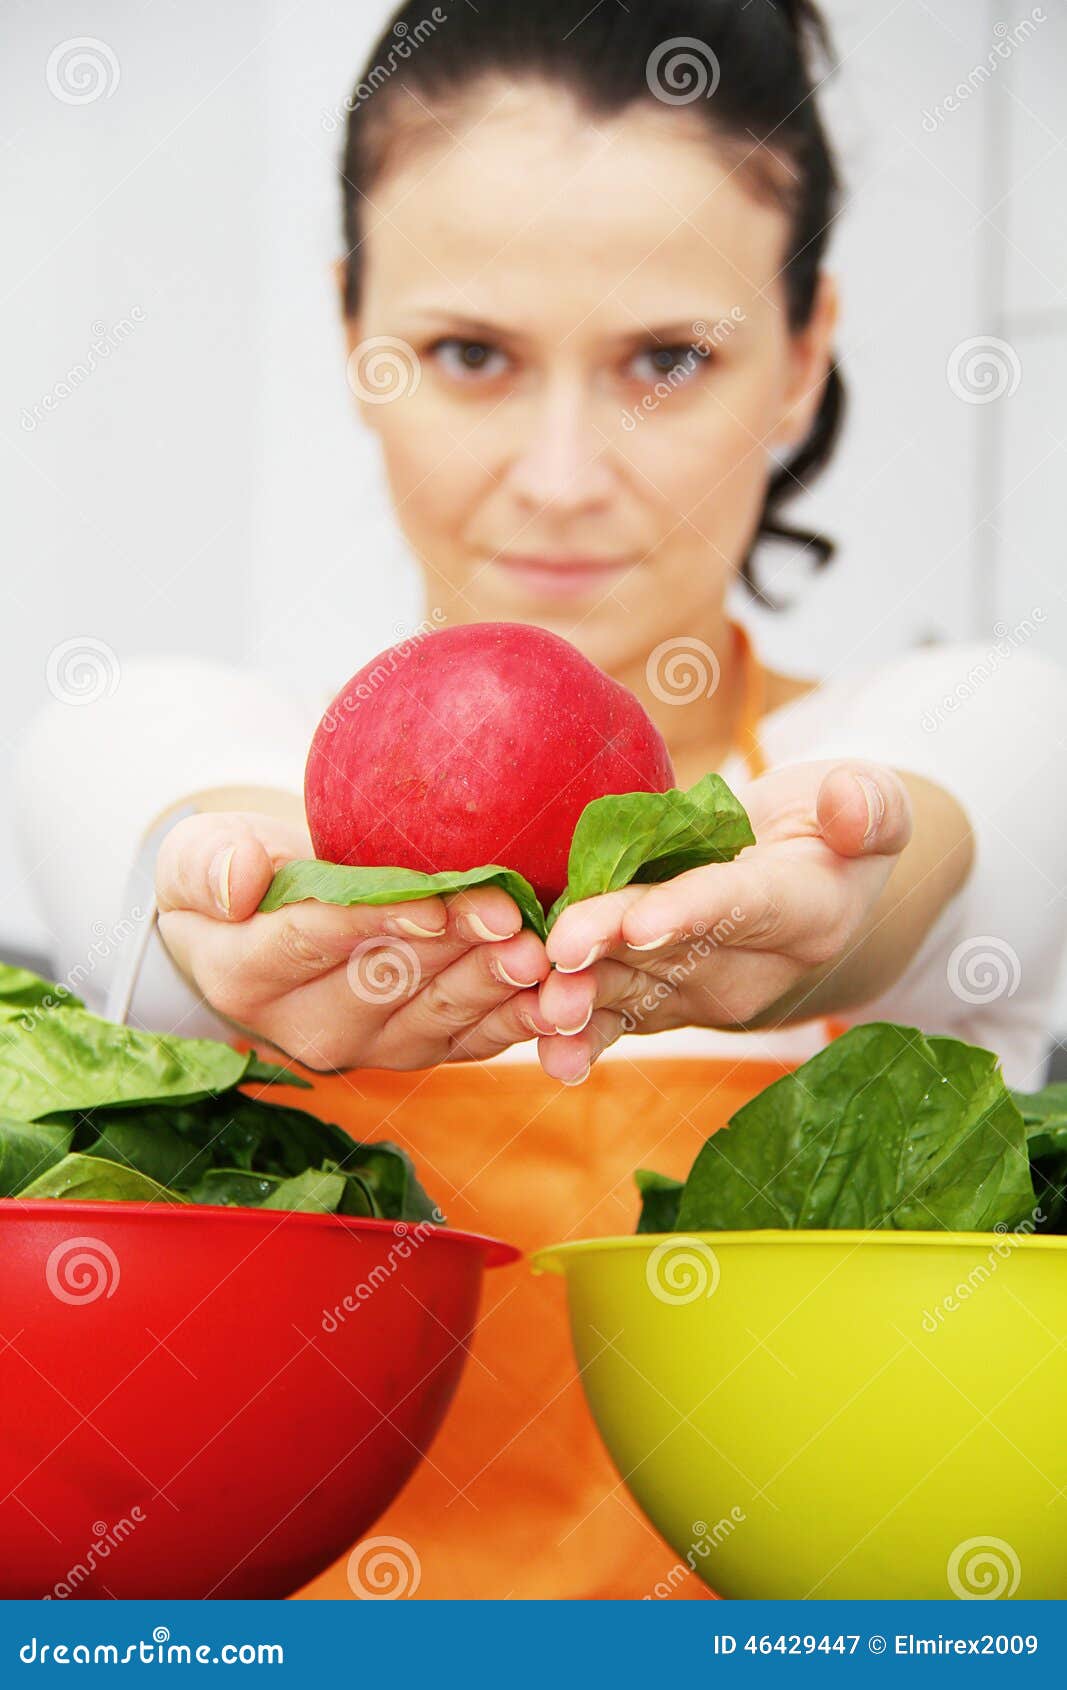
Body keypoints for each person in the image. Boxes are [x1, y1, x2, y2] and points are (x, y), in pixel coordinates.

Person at [16, 0, 1067, 1600]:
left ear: (801, 360)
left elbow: (952, 827)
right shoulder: (170, 725)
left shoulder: (950, 730)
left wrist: (848, 913)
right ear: (353, 340)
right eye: (470, 354)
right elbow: (153, 826)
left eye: (667, 358)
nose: (563, 474)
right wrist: (226, 905)